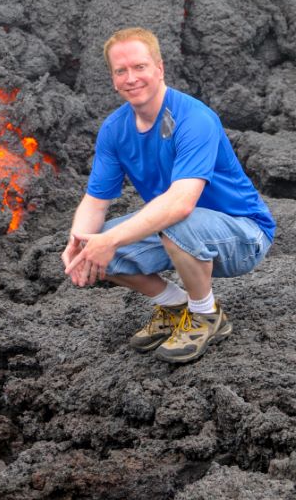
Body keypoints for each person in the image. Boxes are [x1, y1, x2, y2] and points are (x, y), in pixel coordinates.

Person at [62, 27, 275, 364]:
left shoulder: (194, 119)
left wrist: (112, 239)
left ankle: (206, 315)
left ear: (159, 68)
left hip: (244, 234)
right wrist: (79, 243)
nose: (131, 78)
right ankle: (176, 305)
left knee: (172, 220)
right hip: (181, 230)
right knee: (95, 245)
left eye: (140, 67)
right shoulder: (114, 130)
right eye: (121, 71)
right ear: (113, 79)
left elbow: (180, 203)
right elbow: (95, 201)